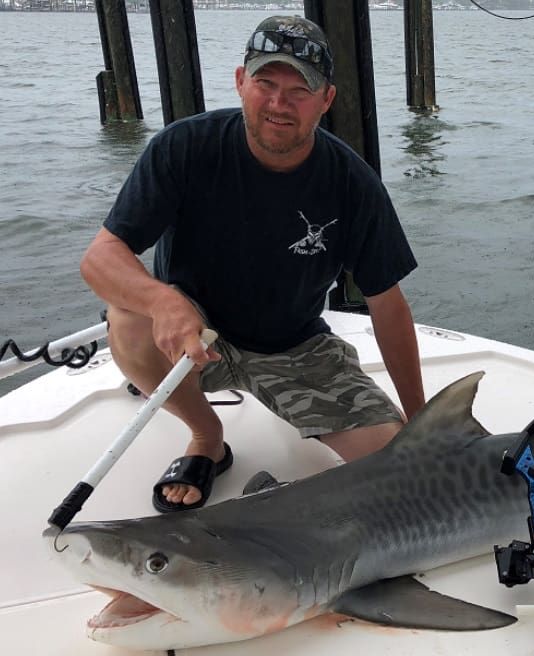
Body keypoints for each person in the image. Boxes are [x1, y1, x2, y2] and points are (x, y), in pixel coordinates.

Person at [80, 16, 425, 513]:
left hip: (294, 344)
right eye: (265, 83)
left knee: (396, 465)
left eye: (299, 90)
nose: (279, 103)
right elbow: (100, 258)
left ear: (326, 100)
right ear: (242, 81)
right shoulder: (185, 147)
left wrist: (421, 424)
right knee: (128, 313)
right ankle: (206, 434)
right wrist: (164, 300)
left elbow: (387, 304)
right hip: (195, 341)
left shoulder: (351, 181)